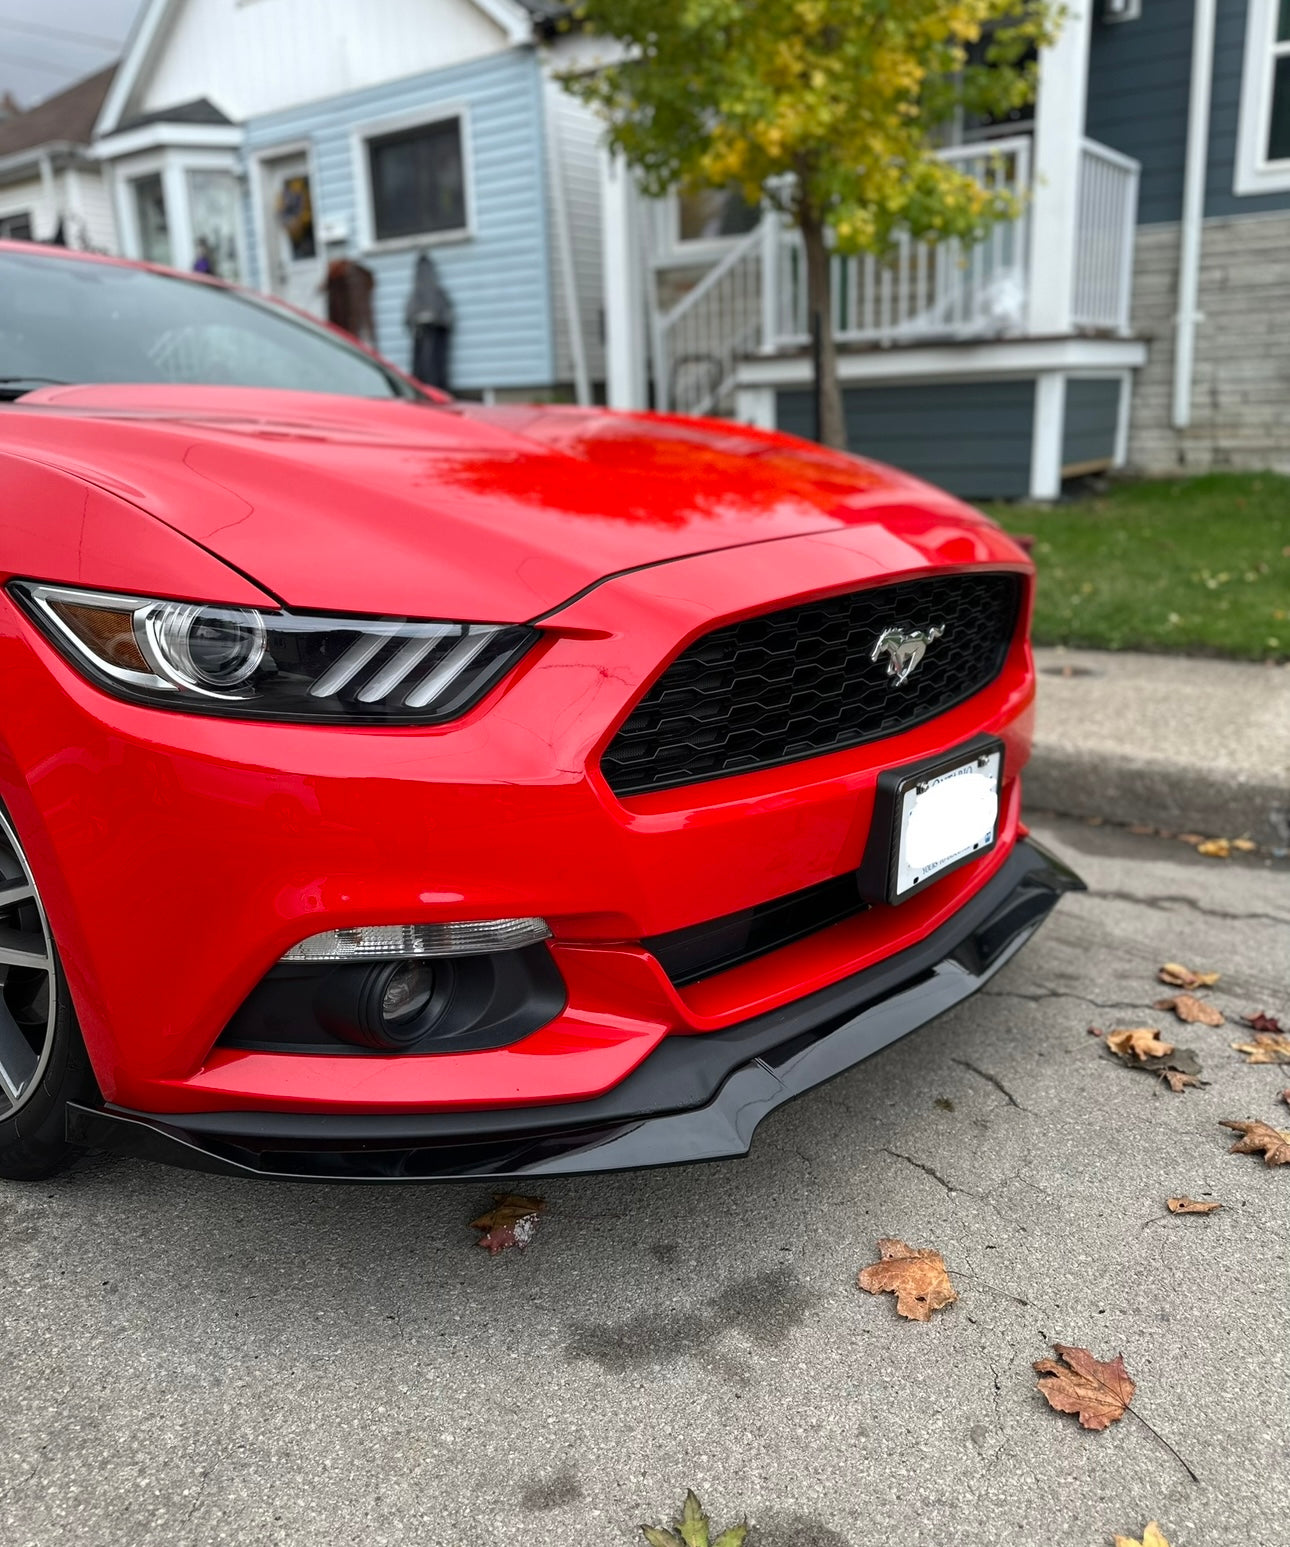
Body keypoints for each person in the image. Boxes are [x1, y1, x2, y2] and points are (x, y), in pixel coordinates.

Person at [405, 251, 454, 391]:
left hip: (435, 340)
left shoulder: (439, 294)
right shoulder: (415, 296)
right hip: (421, 339)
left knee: (435, 369)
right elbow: (408, 318)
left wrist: (435, 322)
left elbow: (447, 317)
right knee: (422, 370)